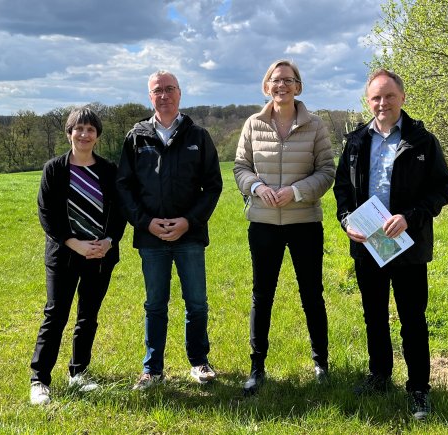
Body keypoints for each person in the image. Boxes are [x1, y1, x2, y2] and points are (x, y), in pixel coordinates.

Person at [333, 70, 448, 420]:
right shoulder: (356, 141)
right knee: (374, 316)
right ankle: (380, 375)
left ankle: (419, 389)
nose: (382, 103)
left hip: (407, 244)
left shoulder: (422, 141)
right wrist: (346, 221)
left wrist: (410, 216)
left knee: (412, 318)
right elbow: (342, 188)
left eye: (388, 96)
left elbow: (441, 188)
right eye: (376, 98)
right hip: (368, 242)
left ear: (402, 97)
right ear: (368, 102)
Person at [233, 59, 335, 395]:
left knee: (311, 295)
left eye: (289, 80)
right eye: (276, 80)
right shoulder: (252, 124)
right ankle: (256, 367)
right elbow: (241, 167)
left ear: (298, 87)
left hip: (304, 222)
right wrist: (256, 188)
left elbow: (326, 172)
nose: (282, 86)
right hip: (263, 223)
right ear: (266, 87)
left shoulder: (316, 125)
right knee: (262, 295)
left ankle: (321, 363)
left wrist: (295, 192)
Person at [116, 70, 223, 390]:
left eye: (169, 89)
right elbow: (124, 187)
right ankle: (152, 369)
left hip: (188, 235)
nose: (164, 95)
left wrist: (188, 221)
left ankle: (199, 362)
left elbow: (213, 186)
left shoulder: (198, 136)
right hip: (151, 237)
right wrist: (145, 221)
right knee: (155, 304)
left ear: (180, 93)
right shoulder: (136, 137)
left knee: (197, 303)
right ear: (150, 96)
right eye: (157, 90)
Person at [29, 106, 127, 405]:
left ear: (97, 136)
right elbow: (47, 215)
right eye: (78, 129)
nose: (84, 134)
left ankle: (78, 373)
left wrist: (109, 241)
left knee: (88, 316)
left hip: (101, 255)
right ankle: (39, 380)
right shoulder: (55, 169)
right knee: (56, 315)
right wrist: (75, 244)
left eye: (90, 130)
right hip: (65, 256)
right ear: (69, 133)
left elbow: (120, 210)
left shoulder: (109, 170)